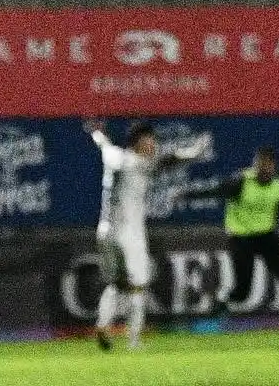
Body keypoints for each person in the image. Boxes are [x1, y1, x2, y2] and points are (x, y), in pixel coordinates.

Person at [85, 119, 208, 350]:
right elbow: (167, 161)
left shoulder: (113, 155)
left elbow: (103, 144)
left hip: (105, 232)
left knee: (115, 284)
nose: (154, 144)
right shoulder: (138, 162)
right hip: (130, 233)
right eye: (150, 139)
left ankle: (102, 324)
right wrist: (193, 152)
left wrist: (96, 133)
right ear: (138, 141)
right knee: (138, 286)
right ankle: (134, 340)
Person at [190, 146, 279, 325]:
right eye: (260, 163)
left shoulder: (277, 187)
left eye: (268, 164)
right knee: (243, 291)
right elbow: (215, 192)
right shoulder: (241, 182)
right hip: (241, 238)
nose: (263, 167)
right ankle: (221, 304)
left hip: (266, 236)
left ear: (274, 166)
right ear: (255, 164)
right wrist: (187, 196)